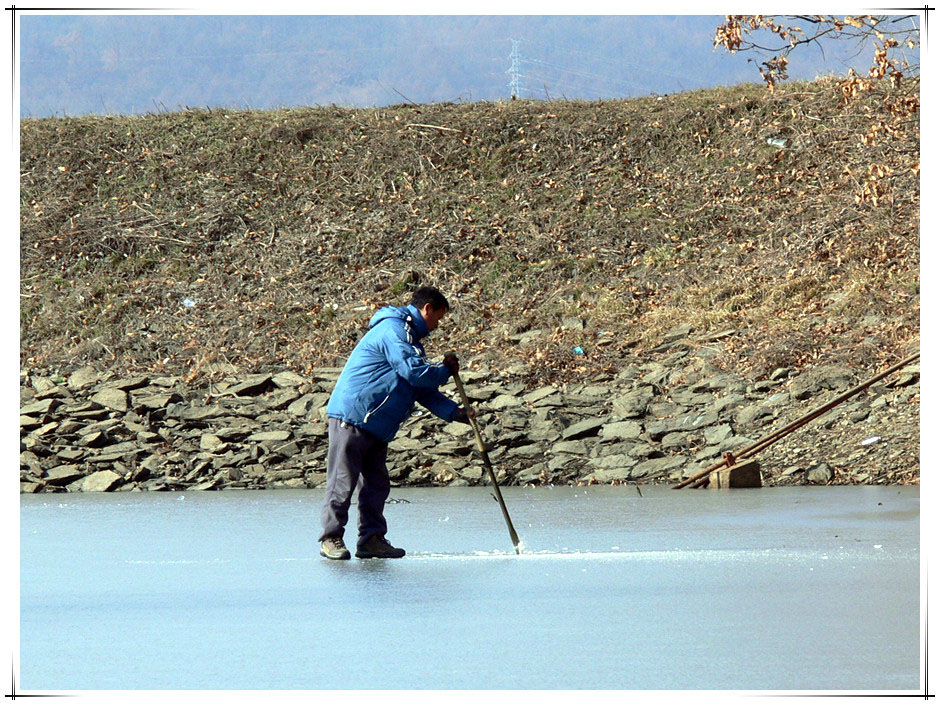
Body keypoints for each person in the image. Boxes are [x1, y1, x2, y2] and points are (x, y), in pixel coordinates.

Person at [318, 286, 470, 560]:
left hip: (378, 424)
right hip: (354, 415)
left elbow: (421, 389)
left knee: (376, 484)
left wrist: (454, 412)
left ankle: (371, 540)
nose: (437, 325)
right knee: (343, 481)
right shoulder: (394, 330)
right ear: (427, 309)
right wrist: (444, 371)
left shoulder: (411, 342)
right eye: (437, 318)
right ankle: (331, 538)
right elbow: (414, 372)